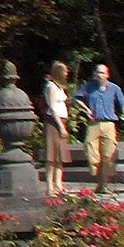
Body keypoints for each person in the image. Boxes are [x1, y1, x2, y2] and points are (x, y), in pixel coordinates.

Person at [80, 62, 124, 192]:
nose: (99, 74)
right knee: (91, 150)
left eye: (102, 72)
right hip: (93, 123)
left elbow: (123, 104)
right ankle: (96, 173)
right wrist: (86, 109)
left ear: (107, 75)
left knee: (108, 155)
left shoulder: (114, 88)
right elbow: (77, 98)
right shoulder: (89, 86)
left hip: (109, 124)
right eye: (97, 72)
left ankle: (103, 185)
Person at [43, 63, 71, 197]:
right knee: (51, 156)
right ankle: (49, 186)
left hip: (62, 121)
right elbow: (53, 108)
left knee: (60, 156)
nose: (66, 74)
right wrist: (61, 126)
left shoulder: (60, 88)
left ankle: (59, 184)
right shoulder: (51, 87)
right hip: (54, 123)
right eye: (64, 71)